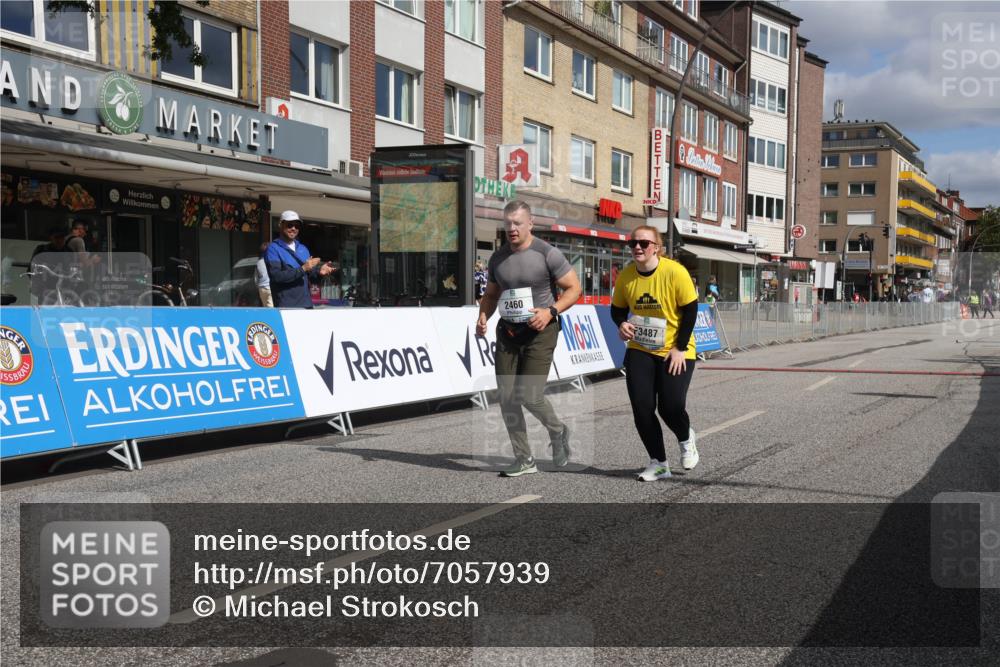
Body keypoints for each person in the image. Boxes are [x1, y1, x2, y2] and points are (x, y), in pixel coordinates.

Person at [476, 200, 582, 477]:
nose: (512, 229)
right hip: (509, 332)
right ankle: (524, 459)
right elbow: (491, 295)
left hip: (540, 331)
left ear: (530, 224)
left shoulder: (547, 254)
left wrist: (550, 312)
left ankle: (558, 431)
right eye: (508, 223)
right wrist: (483, 316)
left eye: (518, 223)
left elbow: (574, 288)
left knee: (530, 395)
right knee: (508, 397)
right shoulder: (497, 258)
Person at [611, 225, 700, 481]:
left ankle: (686, 438)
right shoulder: (626, 276)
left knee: (671, 407)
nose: (637, 247)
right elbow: (617, 309)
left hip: (676, 348)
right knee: (642, 407)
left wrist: (680, 348)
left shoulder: (675, 272)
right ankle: (658, 463)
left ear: (656, 248)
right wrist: (622, 324)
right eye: (633, 243)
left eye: (644, 243)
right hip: (641, 348)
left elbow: (691, 311)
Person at [264, 211, 334, 308]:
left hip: (307, 305)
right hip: (286, 307)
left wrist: (319, 272)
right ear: (280, 225)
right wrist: (303, 269)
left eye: (297, 226)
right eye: (290, 225)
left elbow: (310, 276)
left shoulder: (303, 248)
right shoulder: (273, 249)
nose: (293, 228)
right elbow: (276, 276)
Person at [254, 242, 272, 307]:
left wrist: (258, 286)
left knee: (265, 308)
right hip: (270, 288)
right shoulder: (272, 260)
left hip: (262, 289)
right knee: (271, 310)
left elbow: (256, 278)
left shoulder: (259, 262)